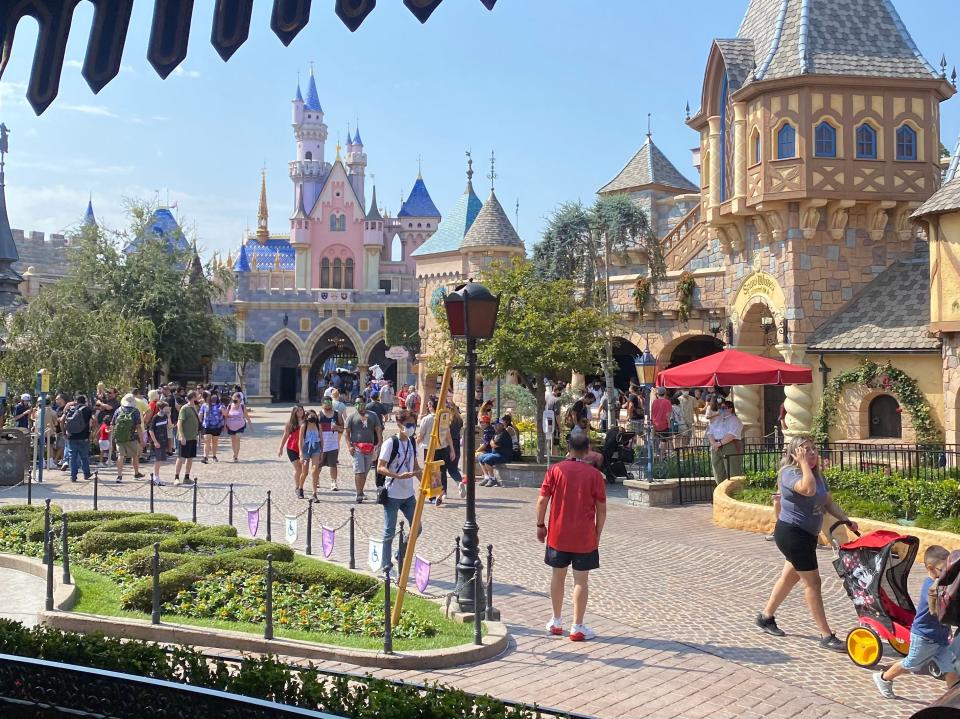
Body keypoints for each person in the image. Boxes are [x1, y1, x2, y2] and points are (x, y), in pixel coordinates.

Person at [756, 436, 857, 651]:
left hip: (807, 535)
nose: (812, 453)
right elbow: (808, 490)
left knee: (789, 577)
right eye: (805, 450)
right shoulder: (789, 473)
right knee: (813, 582)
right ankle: (826, 635)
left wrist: (846, 520)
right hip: (793, 534)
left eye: (813, 449)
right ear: (795, 454)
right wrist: (802, 464)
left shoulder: (817, 475)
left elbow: (827, 502)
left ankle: (765, 617)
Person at [536, 433, 607, 642]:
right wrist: (597, 533)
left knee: (558, 577)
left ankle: (556, 621)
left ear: (568, 448)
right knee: (581, 581)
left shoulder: (555, 470)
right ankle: (577, 626)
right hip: (584, 536)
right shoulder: (594, 475)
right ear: (588, 450)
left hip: (558, 534)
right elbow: (601, 509)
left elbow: (542, 500)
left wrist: (541, 525)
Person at [873, 545, 958, 698]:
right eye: (943, 570)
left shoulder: (943, 585)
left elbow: (945, 616)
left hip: (940, 638)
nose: (947, 574)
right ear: (931, 568)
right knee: (911, 663)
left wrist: (949, 630)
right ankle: (883, 678)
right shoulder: (930, 588)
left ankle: (954, 697)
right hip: (924, 637)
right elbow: (937, 610)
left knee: (950, 667)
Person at [376, 411, 421, 573]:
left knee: (417, 528)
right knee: (389, 531)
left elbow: (415, 467)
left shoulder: (412, 442)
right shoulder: (391, 443)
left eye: (413, 425)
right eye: (408, 425)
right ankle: (386, 565)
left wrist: (428, 487)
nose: (411, 428)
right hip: (393, 493)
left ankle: (400, 553)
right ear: (399, 425)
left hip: (408, 494)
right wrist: (397, 476)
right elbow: (380, 467)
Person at [415, 397, 462, 506]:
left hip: (431, 449)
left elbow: (421, 436)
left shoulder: (426, 419)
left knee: (431, 472)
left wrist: (414, 445)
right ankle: (440, 492)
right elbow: (448, 436)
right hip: (443, 448)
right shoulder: (444, 417)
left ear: (431, 405)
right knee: (441, 471)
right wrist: (452, 450)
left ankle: (434, 495)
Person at [345, 398, 382, 503]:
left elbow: (378, 429)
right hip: (357, 448)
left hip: (370, 447)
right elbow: (346, 432)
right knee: (359, 471)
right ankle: (359, 493)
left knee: (365, 472)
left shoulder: (373, 415)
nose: (360, 405)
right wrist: (349, 446)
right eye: (357, 403)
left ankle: (361, 491)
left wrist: (379, 442)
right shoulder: (351, 417)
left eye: (361, 403)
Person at [707, 400, 743, 483]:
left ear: (730, 409)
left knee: (733, 471)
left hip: (729, 445)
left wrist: (719, 443)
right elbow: (710, 432)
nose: (721, 410)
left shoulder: (735, 420)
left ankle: (734, 493)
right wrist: (714, 443)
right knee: (718, 471)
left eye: (723, 408)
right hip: (716, 446)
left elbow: (731, 435)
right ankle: (720, 492)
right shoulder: (717, 419)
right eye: (720, 408)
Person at [112, 393, 143, 483]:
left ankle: (119, 475)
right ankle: (136, 473)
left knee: (120, 456)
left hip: (119, 437)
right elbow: (138, 427)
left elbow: (113, 424)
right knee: (135, 455)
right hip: (131, 437)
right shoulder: (135, 411)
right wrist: (142, 440)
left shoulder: (118, 410)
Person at [62, 394, 94, 482]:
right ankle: (86, 474)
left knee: (72, 457)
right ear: (85, 402)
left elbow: (61, 420)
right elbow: (92, 422)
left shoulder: (70, 409)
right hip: (83, 436)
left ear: (76, 401)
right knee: (84, 456)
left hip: (71, 436)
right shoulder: (87, 410)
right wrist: (91, 433)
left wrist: (64, 432)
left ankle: (73, 476)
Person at [277, 405, 306, 497]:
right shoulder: (290, 423)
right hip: (292, 448)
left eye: (301, 410)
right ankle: (297, 487)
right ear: (294, 413)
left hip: (303, 448)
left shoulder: (306, 422)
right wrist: (280, 447)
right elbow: (285, 435)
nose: (300, 412)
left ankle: (300, 484)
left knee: (302, 470)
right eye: (298, 411)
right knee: (298, 469)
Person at [174, 390, 201, 485]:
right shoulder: (184, 408)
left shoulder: (195, 407)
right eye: (197, 396)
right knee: (181, 458)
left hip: (193, 437)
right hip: (185, 437)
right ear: (193, 397)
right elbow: (179, 423)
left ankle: (186, 477)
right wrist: (182, 436)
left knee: (190, 458)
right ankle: (176, 477)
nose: (199, 397)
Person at [317, 396, 343, 492]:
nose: (327, 404)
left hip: (333, 444)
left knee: (333, 464)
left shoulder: (337, 414)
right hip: (321, 444)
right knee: (319, 464)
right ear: (322, 403)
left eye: (329, 402)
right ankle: (317, 479)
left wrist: (337, 427)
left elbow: (342, 428)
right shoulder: (319, 415)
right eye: (326, 402)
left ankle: (333, 482)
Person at [478, 417, 513, 487]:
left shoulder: (503, 434)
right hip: (496, 453)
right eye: (494, 425)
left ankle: (493, 479)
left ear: (502, 425)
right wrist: (492, 442)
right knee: (481, 458)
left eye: (497, 425)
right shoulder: (496, 433)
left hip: (504, 455)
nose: (495, 426)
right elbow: (492, 443)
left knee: (487, 460)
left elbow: (494, 445)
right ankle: (487, 477)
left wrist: (492, 442)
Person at [298, 410, 323, 500]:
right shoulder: (304, 426)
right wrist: (301, 453)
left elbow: (321, 438)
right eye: (310, 415)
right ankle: (300, 488)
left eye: (314, 415)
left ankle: (314, 493)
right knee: (305, 472)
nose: (312, 417)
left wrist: (321, 451)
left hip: (315, 448)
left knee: (315, 470)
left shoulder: (318, 425)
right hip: (306, 449)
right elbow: (300, 441)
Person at [148, 400, 171, 485]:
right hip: (157, 441)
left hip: (163, 441)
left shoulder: (165, 416)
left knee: (160, 460)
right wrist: (155, 441)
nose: (167, 409)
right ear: (161, 408)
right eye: (165, 407)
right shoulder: (155, 417)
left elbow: (169, 427)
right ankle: (156, 477)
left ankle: (155, 477)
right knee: (158, 460)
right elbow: (151, 430)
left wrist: (169, 416)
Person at [224, 392, 252, 462]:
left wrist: (250, 424)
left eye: (236, 398)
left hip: (240, 426)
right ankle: (234, 454)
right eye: (233, 398)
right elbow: (226, 416)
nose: (234, 400)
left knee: (237, 438)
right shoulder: (230, 406)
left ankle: (236, 456)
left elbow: (246, 416)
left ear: (239, 399)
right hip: (230, 426)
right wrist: (224, 426)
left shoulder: (242, 406)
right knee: (233, 440)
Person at [199, 393, 225, 463]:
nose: (213, 399)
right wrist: (199, 424)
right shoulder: (204, 405)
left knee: (214, 442)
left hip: (217, 426)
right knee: (207, 441)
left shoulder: (220, 405)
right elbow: (201, 414)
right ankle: (205, 457)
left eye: (215, 397)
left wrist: (222, 409)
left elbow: (225, 414)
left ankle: (214, 456)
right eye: (212, 397)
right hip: (206, 426)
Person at [650, 388, 672, 460]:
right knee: (663, 441)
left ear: (657, 394)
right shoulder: (667, 402)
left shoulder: (654, 402)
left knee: (655, 440)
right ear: (665, 393)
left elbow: (652, 413)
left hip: (655, 424)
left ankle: (654, 456)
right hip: (664, 424)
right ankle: (661, 457)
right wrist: (669, 424)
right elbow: (668, 415)